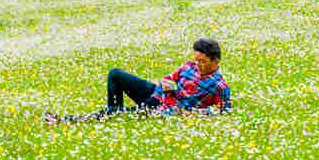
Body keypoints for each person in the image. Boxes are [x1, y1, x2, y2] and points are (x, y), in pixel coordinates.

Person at [43, 38, 232, 123]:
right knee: (115, 74)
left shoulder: (220, 86)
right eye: (197, 59)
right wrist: (164, 86)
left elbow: (225, 112)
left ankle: (66, 120)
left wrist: (196, 113)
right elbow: (169, 79)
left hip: (167, 109)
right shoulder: (189, 66)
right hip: (157, 96)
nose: (198, 64)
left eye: (203, 61)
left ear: (215, 61)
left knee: (120, 113)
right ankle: (114, 111)